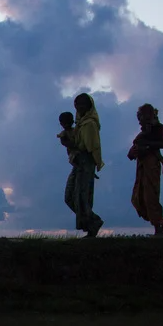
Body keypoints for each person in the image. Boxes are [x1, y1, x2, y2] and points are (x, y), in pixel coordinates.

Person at [127, 104, 163, 236]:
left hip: (151, 165)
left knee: (150, 196)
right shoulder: (143, 132)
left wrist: (147, 147)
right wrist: (132, 152)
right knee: (138, 198)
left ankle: (158, 225)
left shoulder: (158, 128)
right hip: (142, 166)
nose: (139, 119)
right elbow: (134, 148)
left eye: (140, 116)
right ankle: (159, 221)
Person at [64, 93, 105, 238]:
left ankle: (92, 226)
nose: (79, 107)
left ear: (89, 106)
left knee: (82, 197)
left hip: (85, 162)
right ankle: (92, 221)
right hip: (78, 163)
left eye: (82, 104)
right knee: (69, 196)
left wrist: (70, 144)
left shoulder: (89, 124)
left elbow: (89, 147)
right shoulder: (80, 124)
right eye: (77, 104)